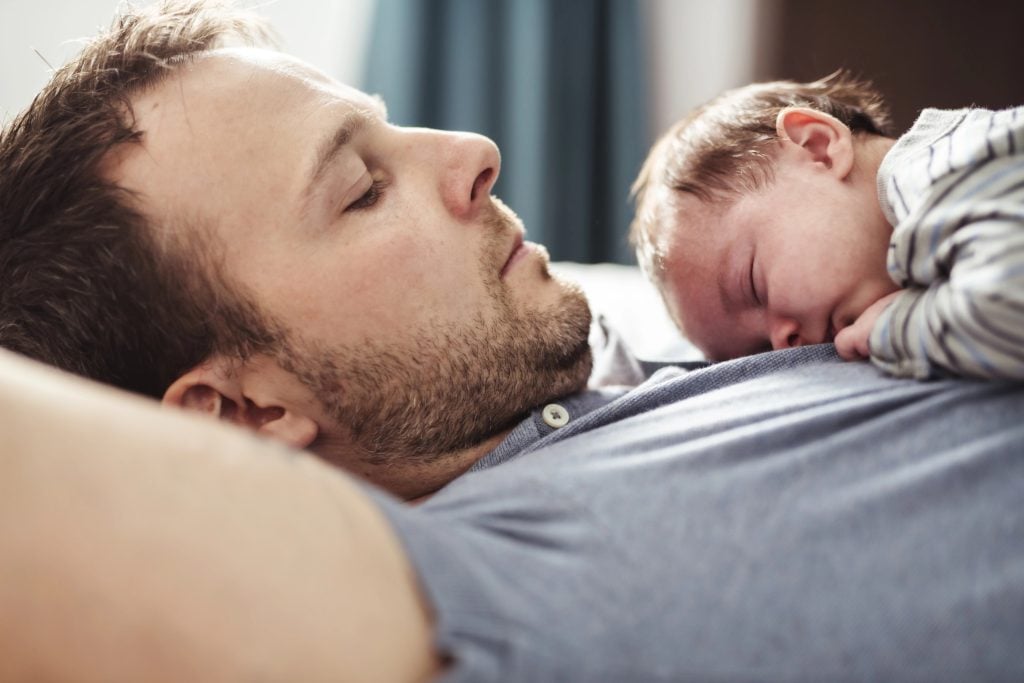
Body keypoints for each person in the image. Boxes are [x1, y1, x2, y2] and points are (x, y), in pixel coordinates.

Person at [1, 4, 1023, 681]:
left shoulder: (695, 346)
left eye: (393, 130)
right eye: (362, 188)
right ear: (244, 411)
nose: (475, 152)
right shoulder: (448, 585)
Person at [630, 72, 1024, 380]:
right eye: (758, 350)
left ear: (817, 147)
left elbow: (1008, 305)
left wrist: (894, 327)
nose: (784, 343)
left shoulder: (937, 170)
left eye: (753, 284)